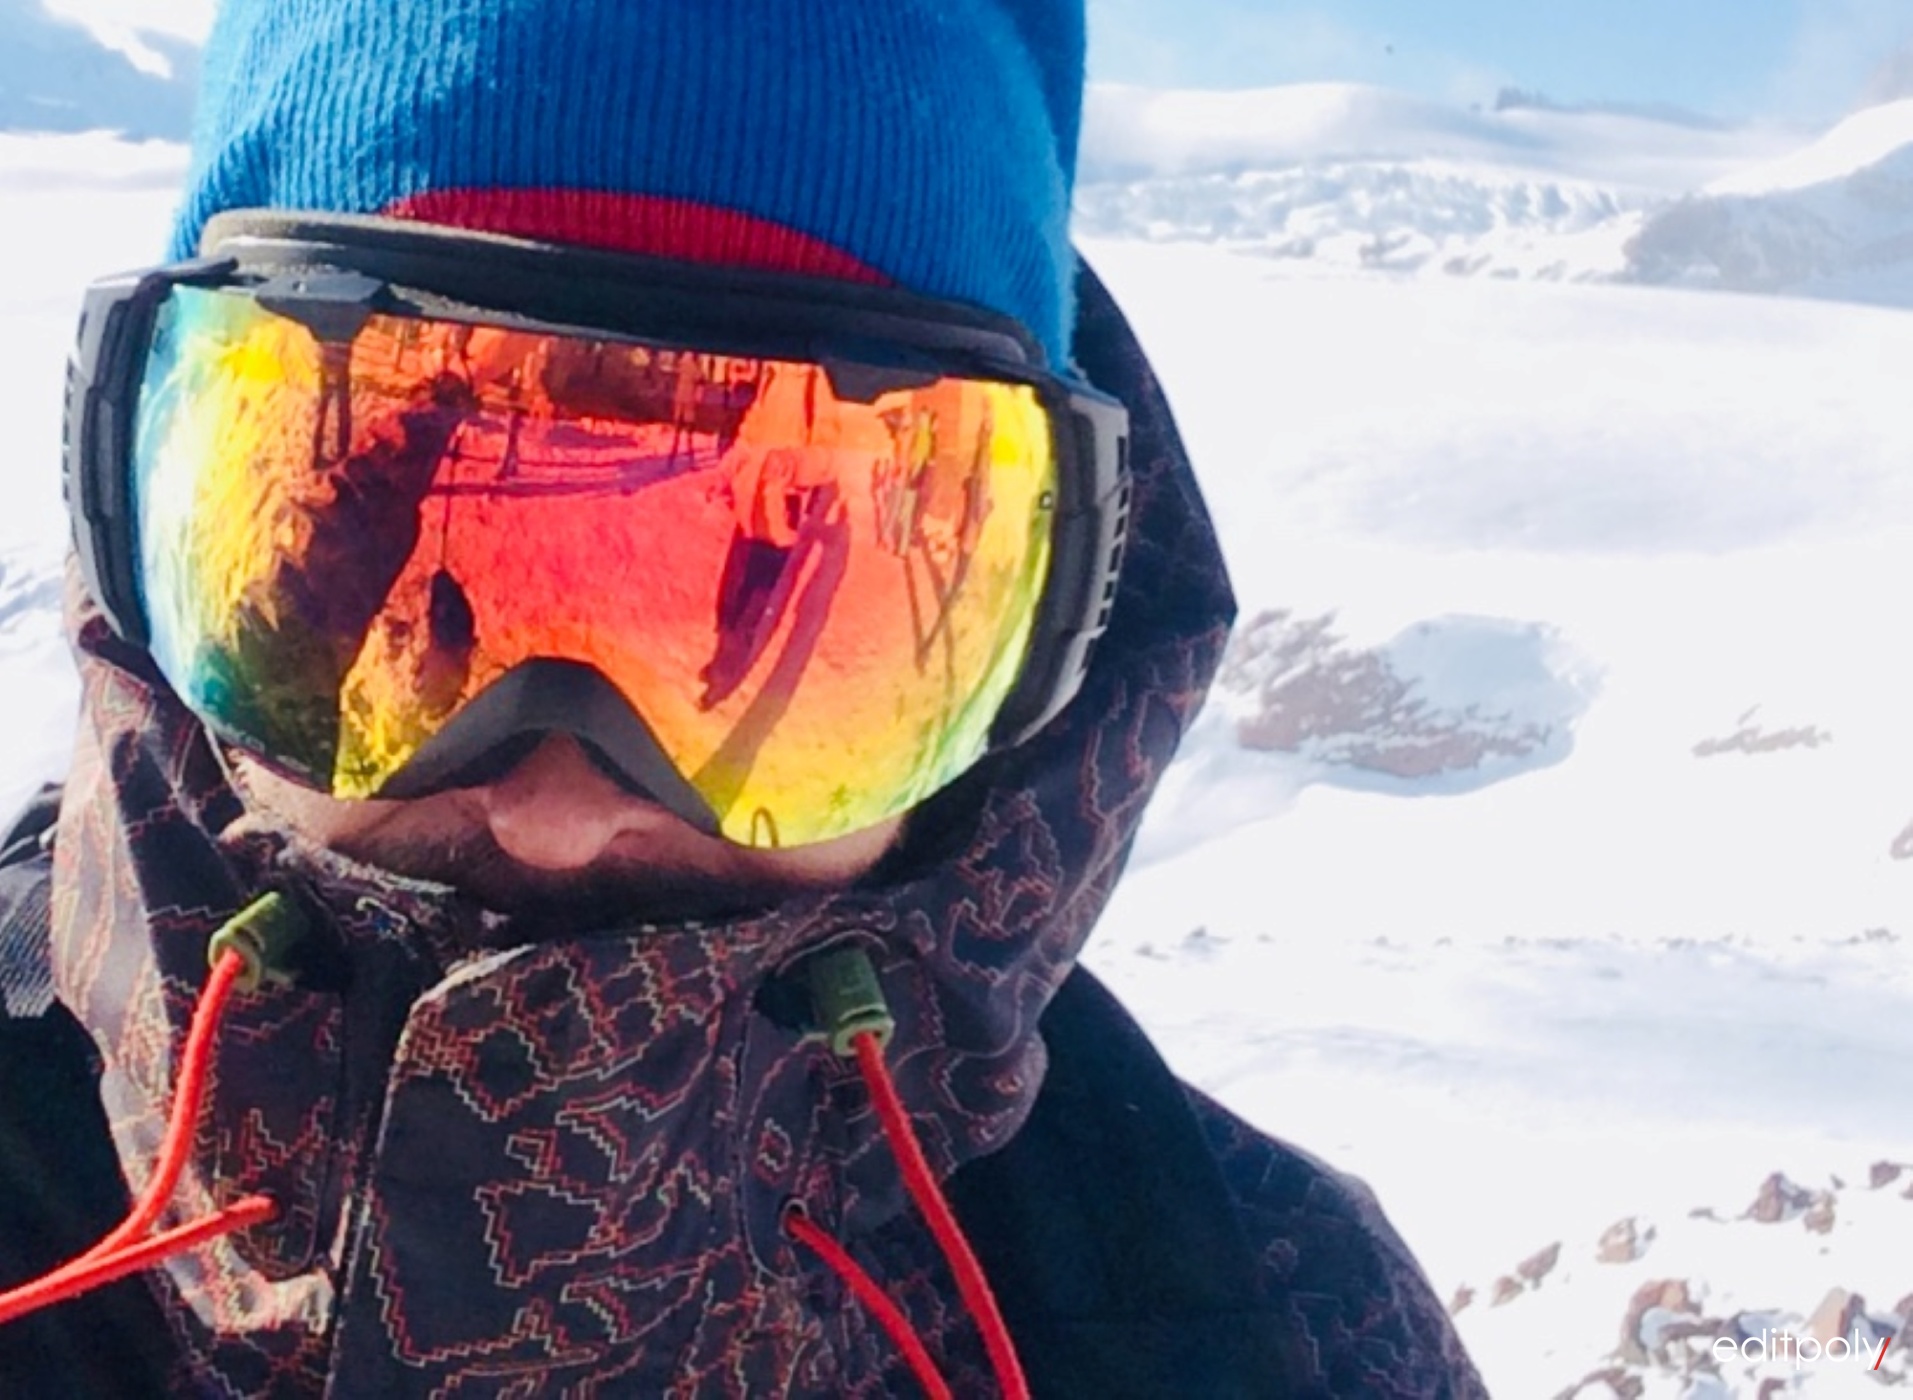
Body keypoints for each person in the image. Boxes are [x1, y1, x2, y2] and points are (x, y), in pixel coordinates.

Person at [0, 2, 1487, 1395]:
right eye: (367, 589)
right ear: (149, 541)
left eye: (788, 612)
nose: (559, 814)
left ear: (1039, 655)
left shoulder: (1261, 1326)